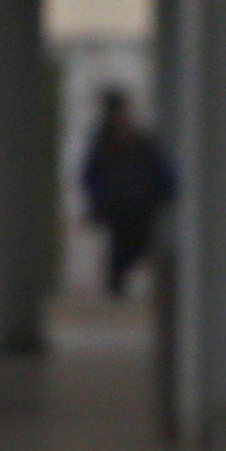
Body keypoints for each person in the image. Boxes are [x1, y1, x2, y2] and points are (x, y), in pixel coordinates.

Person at [78, 87, 175, 300]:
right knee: (123, 252)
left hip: (140, 207)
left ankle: (123, 289)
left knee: (137, 248)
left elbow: (160, 170)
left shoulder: (139, 142)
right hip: (119, 209)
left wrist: (164, 194)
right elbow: (91, 177)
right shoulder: (104, 144)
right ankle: (117, 290)